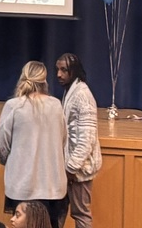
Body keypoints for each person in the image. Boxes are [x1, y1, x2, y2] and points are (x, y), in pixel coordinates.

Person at [0, 60, 67, 228]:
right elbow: (64, 141)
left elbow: (1, 146)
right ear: (44, 80)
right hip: (52, 187)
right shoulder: (56, 105)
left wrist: (13, 163)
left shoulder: (14, 106)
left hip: (22, 185)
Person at [55, 53, 102, 228]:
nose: (59, 74)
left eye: (64, 70)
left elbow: (87, 139)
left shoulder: (83, 96)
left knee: (81, 214)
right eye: (58, 70)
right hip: (68, 168)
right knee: (57, 211)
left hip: (78, 171)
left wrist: (72, 167)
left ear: (73, 71)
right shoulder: (70, 92)